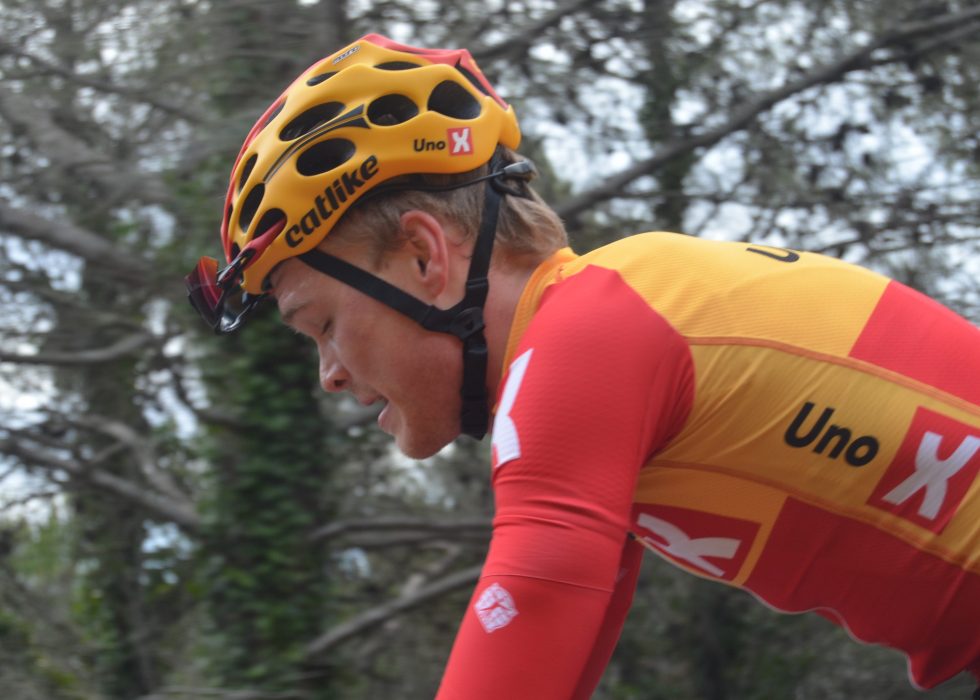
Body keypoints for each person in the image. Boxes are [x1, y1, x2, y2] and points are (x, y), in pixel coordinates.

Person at [186, 33, 980, 699]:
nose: (327, 373)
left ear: (424, 257)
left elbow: (531, 608)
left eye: (321, 326)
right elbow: (554, 663)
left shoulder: (585, 335)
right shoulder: (605, 331)